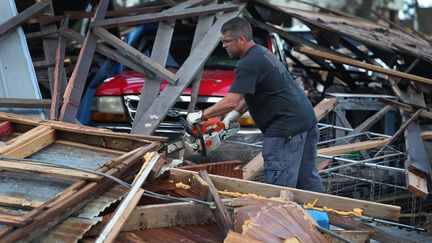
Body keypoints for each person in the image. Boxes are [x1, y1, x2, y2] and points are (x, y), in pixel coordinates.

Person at [187, 17, 324, 193]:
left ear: (241, 39)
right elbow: (249, 95)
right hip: (305, 121)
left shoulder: (248, 63)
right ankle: (319, 218)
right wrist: (231, 118)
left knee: (278, 187)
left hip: (284, 130)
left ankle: (277, 219)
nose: (224, 46)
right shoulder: (262, 53)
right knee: (307, 179)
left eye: (227, 41)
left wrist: (200, 115)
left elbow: (230, 101)